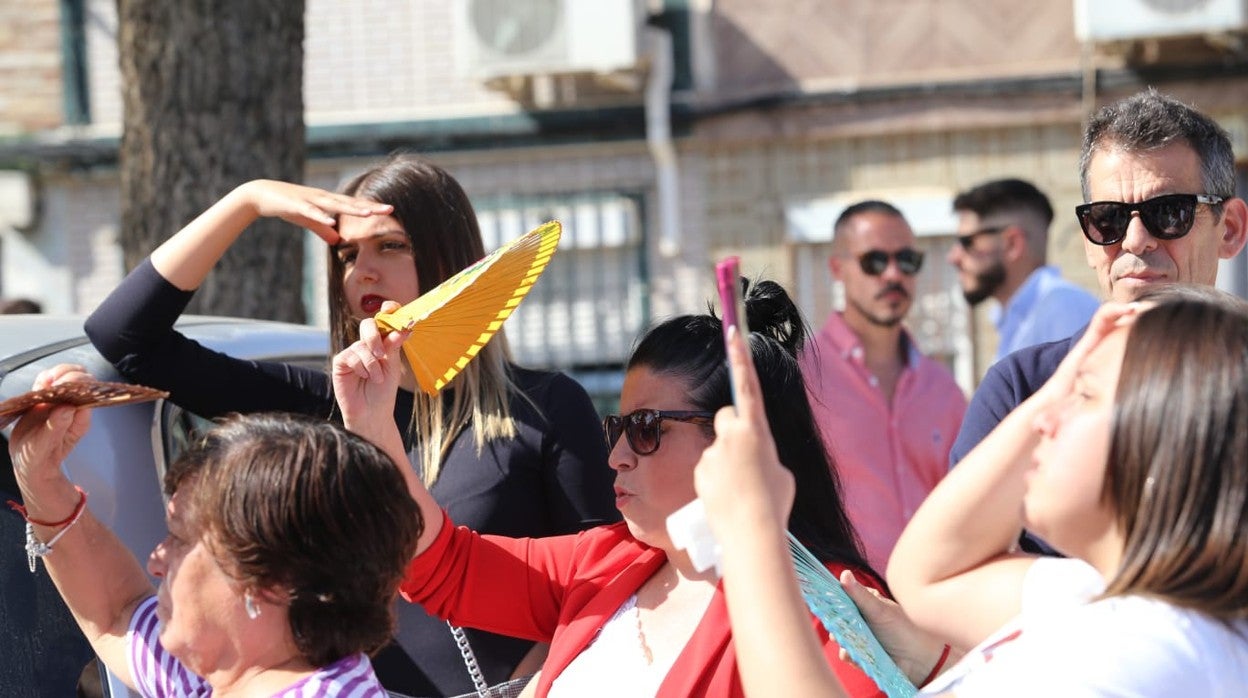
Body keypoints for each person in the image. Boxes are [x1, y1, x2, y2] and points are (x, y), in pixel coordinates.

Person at [83, 155, 619, 696]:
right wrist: (246, 201)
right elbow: (125, 338)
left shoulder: (545, 407)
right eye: (346, 255)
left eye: (391, 245)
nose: (363, 271)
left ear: (450, 257)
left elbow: (607, 587)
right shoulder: (324, 411)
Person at [337, 280, 891, 698]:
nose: (616, 455)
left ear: (736, 435)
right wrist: (374, 425)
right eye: (617, 427)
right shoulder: (608, 559)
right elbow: (444, 567)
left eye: (645, 429)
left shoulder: (836, 600)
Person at [693, 285, 1248, 696]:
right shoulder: (1102, 596)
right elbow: (928, 575)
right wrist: (1070, 375)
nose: (1043, 419)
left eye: (1083, 395)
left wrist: (751, 534)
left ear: (1165, 442)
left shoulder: (1151, 654)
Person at [7, 367, 424, 696]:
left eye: (180, 539)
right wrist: (39, 476)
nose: (156, 560)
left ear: (269, 579)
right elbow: (116, 612)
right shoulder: (219, 673)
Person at [949, 90, 1248, 467]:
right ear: (1088, 241)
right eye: (1108, 219)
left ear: (1230, 229)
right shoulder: (1019, 391)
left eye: (1170, 213)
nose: (1135, 240)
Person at [800, 200, 966, 571]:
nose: (893, 274)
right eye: (874, 261)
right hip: (841, 599)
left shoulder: (944, 390)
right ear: (837, 269)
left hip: (931, 595)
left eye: (906, 260)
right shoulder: (800, 379)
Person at [948, 178, 1098, 361]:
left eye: (967, 242)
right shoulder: (1023, 318)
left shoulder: (1064, 309)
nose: (953, 257)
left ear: (1012, 244)